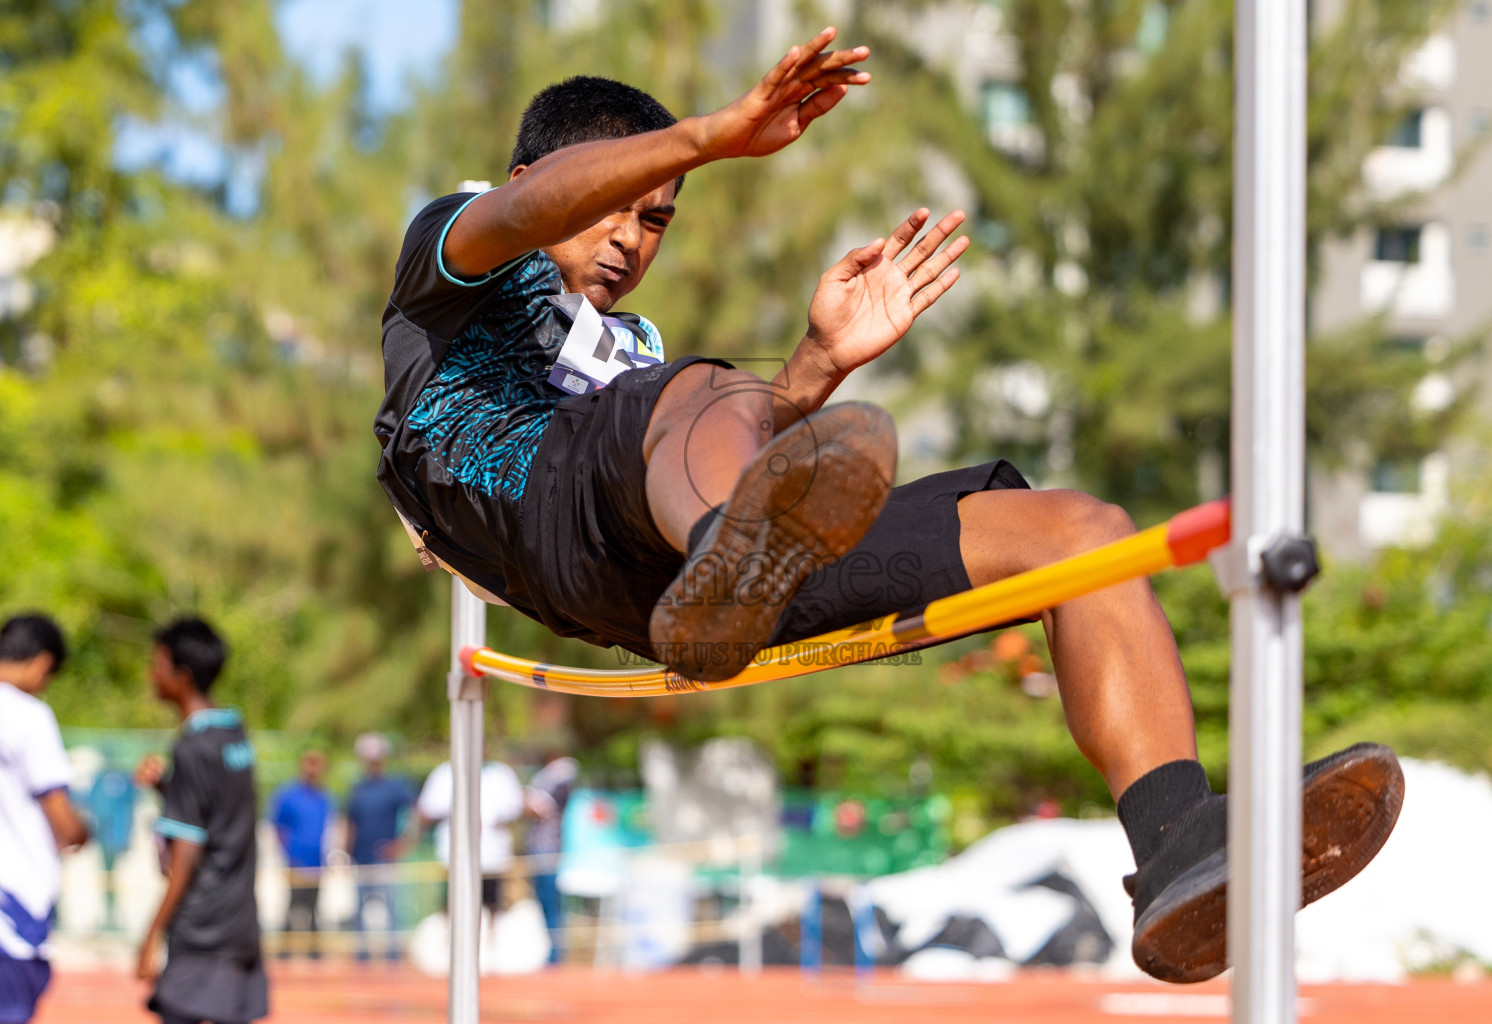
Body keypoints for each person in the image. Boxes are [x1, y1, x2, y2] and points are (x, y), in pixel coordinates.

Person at [372, 26, 1404, 982]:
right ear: (535, 180)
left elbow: (711, 438)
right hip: (539, 519)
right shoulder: (455, 255)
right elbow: (535, 225)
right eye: (620, 205)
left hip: (674, 574)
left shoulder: (632, 351)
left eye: (658, 218)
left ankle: (1177, 841)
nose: (635, 240)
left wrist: (820, 362)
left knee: (1079, 534)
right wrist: (707, 138)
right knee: (701, 391)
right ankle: (730, 551)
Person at [135, 617, 268, 1024]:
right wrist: (168, 789)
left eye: (158, 664)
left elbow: (187, 853)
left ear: (183, 675)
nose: (151, 674)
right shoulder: (234, 734)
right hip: (240, 923)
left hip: (203, 930)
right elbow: (220, 813)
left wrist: (152, 933)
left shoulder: (192, 748)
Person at [0, 613, 89, 1024]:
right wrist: (83, 830)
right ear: (41, 662)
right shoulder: (28, 716)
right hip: (12, 910)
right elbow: (64, 821)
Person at [411, 758, 523, 916]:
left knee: (492, 902)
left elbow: (514, 807)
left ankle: (491, 936)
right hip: (454, 854)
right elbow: (428, 809)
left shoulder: (501, 773)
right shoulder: (444, 772)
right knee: (454, 902)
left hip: (491, 854)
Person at [343, 733, 415, 962]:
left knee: (392, 911)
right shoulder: (357, 788)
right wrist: (346, 852)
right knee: (358, 912)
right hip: (360, 859)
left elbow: (416, 813)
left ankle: (393, 958)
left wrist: (402, 844)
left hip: (385, 860)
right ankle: (362, 958)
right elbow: (350, 822)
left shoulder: (395, 787)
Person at [269, 750, 332, 960]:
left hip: (317, 863)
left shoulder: (325, 797)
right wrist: (287, 853)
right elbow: (277, 827)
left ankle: (314, 953)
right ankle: (284, 953)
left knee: (314, 909)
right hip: (294, 862)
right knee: (292, 907)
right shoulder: (288, 795)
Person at [524, 753, 578, 964]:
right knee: (544, 903)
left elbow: (542, 809)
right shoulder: (550, 777)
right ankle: (552, 952)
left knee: (550, 902)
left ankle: (556, 955)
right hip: (542, 850)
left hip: (549, 850)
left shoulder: (561, 776)